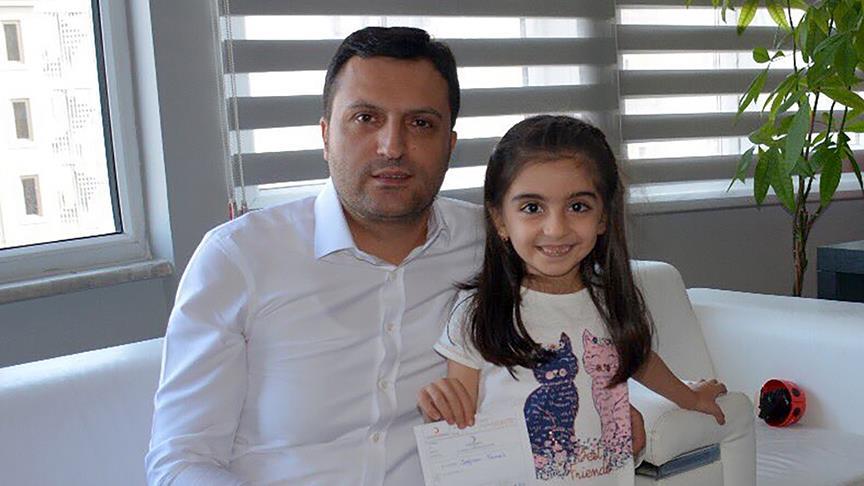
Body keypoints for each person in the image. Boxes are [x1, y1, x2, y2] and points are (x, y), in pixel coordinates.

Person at [417, 115, 727, 484]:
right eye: (532, 208)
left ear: (603, 217)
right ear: (499, 220)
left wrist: (689, 397)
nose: (556, 228)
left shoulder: (609, 302)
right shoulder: (478, 313)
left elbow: (639, 358)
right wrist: (441, 410)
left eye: (577, 206)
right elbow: (461, 415)